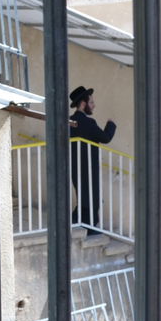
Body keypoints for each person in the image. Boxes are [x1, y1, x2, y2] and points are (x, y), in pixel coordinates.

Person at [68, 85, 116, 229]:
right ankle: (89, 227)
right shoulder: (88, 122)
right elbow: (105, 138)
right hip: (89, 165)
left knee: (84, 197)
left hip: (75, 165)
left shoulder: (69, 120)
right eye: (91, 102)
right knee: (92, 199)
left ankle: (77, 223)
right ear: (83, 103)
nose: (93, 106)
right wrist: (111, 124)